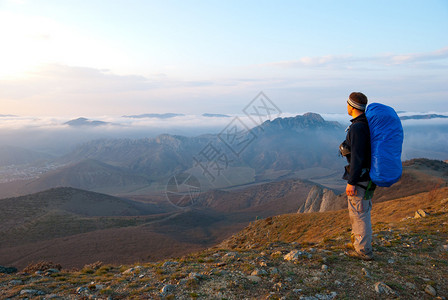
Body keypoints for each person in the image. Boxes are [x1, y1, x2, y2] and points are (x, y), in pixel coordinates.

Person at [339, 92, 376, 261]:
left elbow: (358, 157)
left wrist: (351, 182)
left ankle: (363, 250)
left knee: (360, 213)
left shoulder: (357, 127)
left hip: (360, 178)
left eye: (347, 104)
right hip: (367, 176)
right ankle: (359, 244)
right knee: (362, 210)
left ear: (352, 106)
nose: (346, 107)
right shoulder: (366, 124)